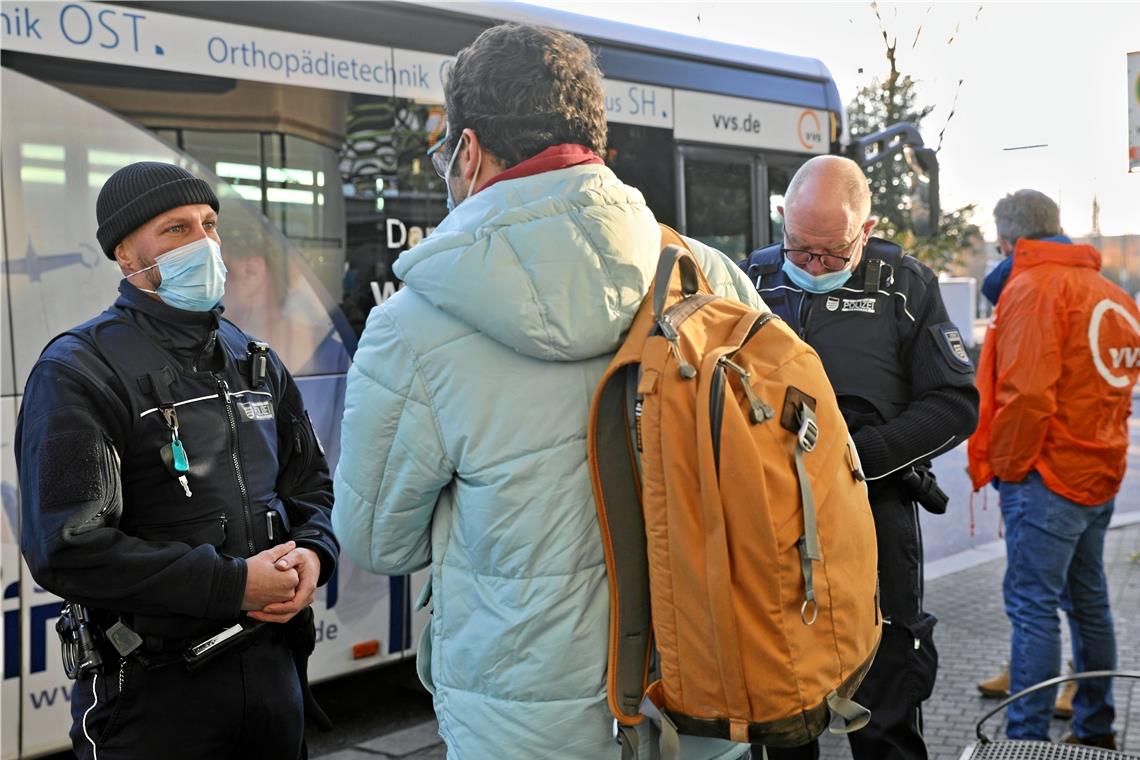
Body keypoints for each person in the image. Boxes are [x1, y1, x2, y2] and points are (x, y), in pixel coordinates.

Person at [332, 23, 761, 760]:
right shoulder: (709, 278)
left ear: (468, 151)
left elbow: (379, 540)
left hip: (517, 725)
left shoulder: (414, 325)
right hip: (700, 701)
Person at [16, 161, 338, 760]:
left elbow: (312, 487)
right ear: (124, 252)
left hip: (274, 679)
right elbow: (67, 547)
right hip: (152, 698)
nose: (205, 243)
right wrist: (234, 584)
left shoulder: (254, 361)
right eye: (176, 229)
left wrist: (316, 553)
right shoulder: (79, 372)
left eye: (210, 224)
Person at [741, 155, 979, 760]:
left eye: (832, 254)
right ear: (781, 222)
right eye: (799, 250)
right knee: (783, 716)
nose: (813, 267)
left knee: (885, 715)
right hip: (773, 531)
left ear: (865, 232)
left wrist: (856, 457)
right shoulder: (752, 280)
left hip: (874, 522)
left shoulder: (905, 285)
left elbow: (954, 404)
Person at [967, 189, 1138, 750]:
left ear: (1013, 241)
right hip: (1098, 474)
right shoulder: (1110, 293)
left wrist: (1011, 470)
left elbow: (1025, 397)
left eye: (998, 245)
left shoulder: (1032, 289)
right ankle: (1096, 729)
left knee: (1033, 609)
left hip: (1047, 479)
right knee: (1090, 605)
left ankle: (1026, 738)